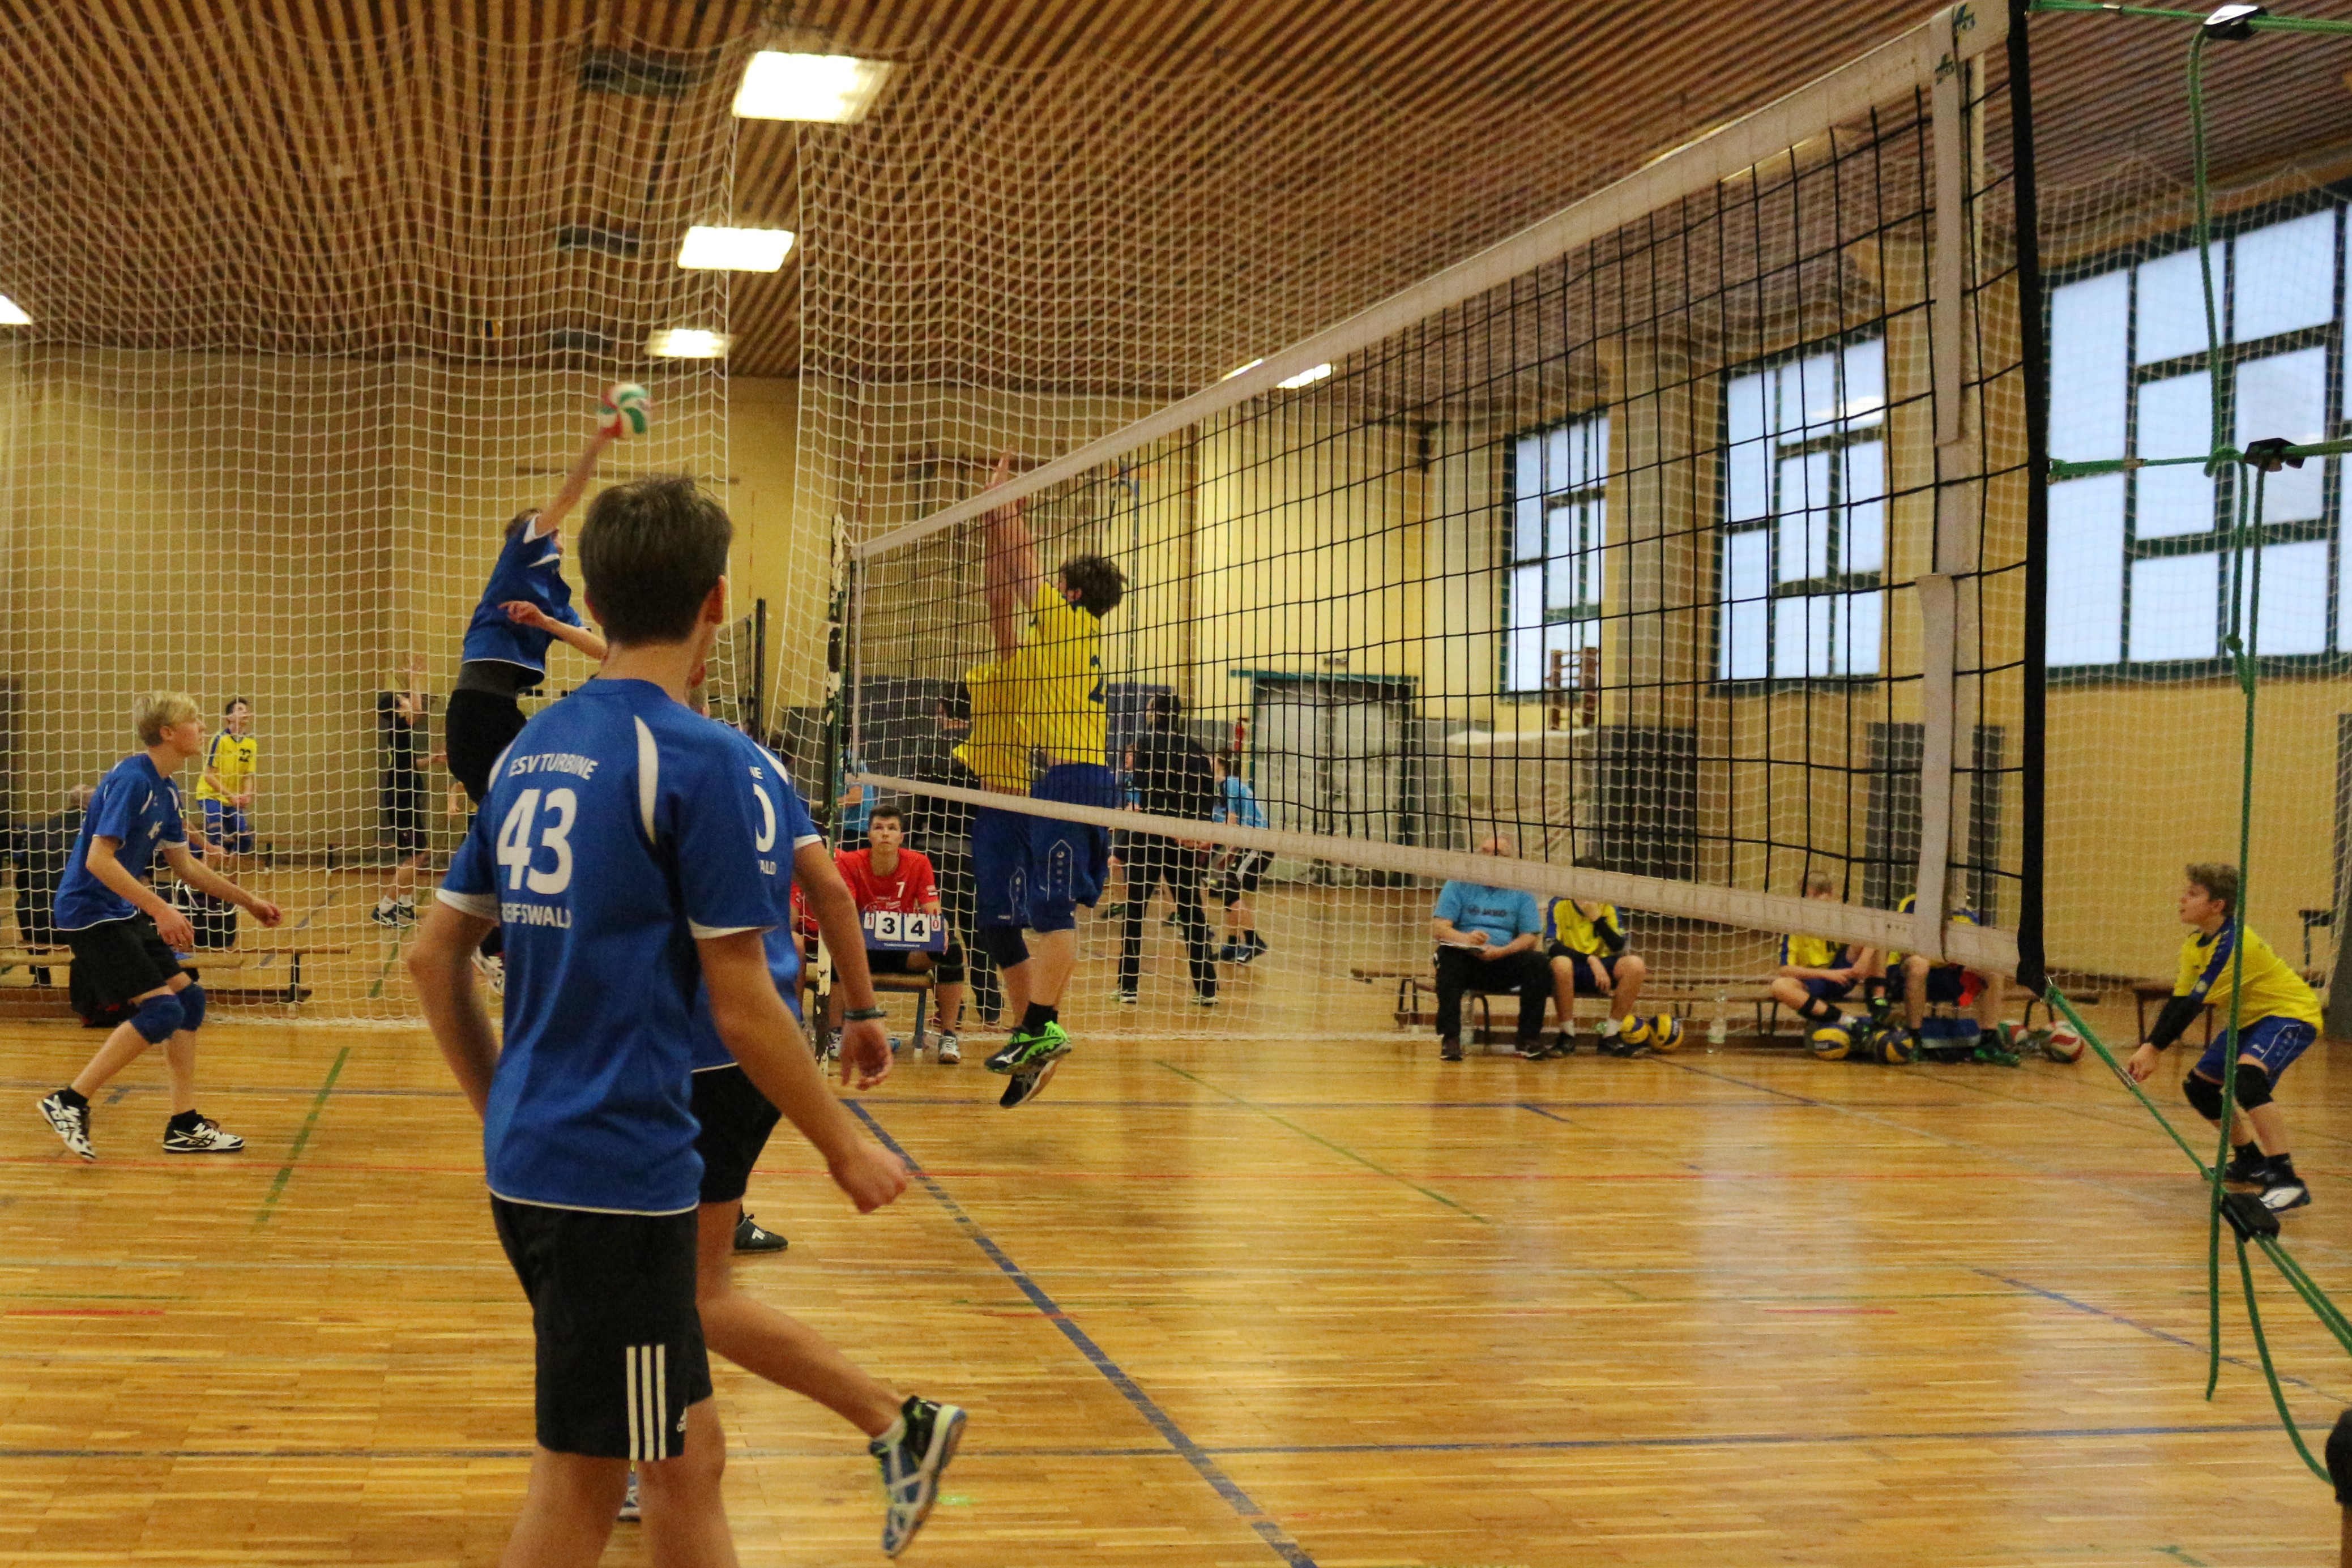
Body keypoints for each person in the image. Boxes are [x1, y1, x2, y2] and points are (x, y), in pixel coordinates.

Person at [406, 472, 912, 1567]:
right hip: (618, 1183)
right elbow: (743, 1000)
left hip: (540, 1162)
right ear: (716, 599)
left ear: (591, 598)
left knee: (683, 1458)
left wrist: (503, 1105)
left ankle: (885, 1418)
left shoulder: (530, 750)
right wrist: (843, 1142)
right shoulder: (704, 759)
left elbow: (431, 954)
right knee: (587, 1485)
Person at [614, 691, 964, 1550]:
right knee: (683, 1289)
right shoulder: (761, 765)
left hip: (700, 1052)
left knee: (681, 1293)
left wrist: (843, 1138)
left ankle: (887, 1419)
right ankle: (662, 1453)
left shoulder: (665, 759)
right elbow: (833, 896)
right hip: (757, 1053)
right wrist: (863, 1010)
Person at [36, 693, 285, 1160]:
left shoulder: (167, 789)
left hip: (119, 910)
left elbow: (186, 865)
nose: (203, 726)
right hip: (89, 912)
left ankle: (184, 1124)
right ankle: (69, 1100)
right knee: (161, 1011)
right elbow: (98, 860)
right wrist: (161, 910)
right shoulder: (132, 780)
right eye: (194, 719)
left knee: (188, 1001)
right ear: (168, 733)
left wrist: (249, 901)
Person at [443, 403, 618, 990]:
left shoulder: (555, 593)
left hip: (500, 710)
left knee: (518, 816)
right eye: (555, 529)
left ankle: (494, 935)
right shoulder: (524, 549)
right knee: (509, 819)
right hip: (478, 707)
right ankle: (486, 940)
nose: (561, 536)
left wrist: (547, 622)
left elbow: (601, 650)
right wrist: (599, 440)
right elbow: (568, 494)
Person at [974, 455, 1127, 1105]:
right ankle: (1037, 1032)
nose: (1044, 589)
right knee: (1043, 912)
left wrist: (1003, 501)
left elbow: (1023, 561)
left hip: (1074, 780)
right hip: (1065, 781)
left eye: (1054, 585)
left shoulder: (1066, 622)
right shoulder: (1053, 643)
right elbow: (1007, 584)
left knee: (1052, 913)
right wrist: (993, 522)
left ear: (1070, 594)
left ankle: (1039, 1028)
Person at [2128, 862, 2324, 1214]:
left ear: (2217, 905)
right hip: (2248, 1021)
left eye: (2193, 894)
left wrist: (2153, 1049)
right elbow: (2179, 1000)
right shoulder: (2196, 944)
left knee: (2248, 1080)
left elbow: (2193, 1006)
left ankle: (2287, 1180)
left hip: (2289, 1013)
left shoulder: (2232, 945)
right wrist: (2150, 1045)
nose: (2182, 899)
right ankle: (2249, 1160)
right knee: (2200, 1087)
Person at [830, 805, 968, 1064]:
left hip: (905, 953)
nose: (885, 834)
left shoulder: (918, 862)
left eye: (892, 828)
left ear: (901, 837)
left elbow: (932, 911)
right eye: (878, 828)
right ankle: (837, 1034)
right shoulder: (850, 862)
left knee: (950, 947)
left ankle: (949, 1036)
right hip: (863, 952)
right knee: (837, 944)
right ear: (869, 835)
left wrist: (941, 929)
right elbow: (845, 912)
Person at [906, 686, 1000, 1026]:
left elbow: (917, 807)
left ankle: (951, 1012)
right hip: (977, 853)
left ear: (941, 709)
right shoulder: (985, 748)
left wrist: (911, 851)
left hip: (934, 854)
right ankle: (991, 1009)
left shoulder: (930, 748)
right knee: (979, 933)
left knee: (940, 933)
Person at [1117, 693, 1219, 1007]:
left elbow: (1143, 783)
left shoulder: (1145, 745)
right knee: (1191, 912)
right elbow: (1207, 796)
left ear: (1154, 713)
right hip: (1183, 839)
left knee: (1135, 909)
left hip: (1150, 834)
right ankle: (1207, 988)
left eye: (1149, 709)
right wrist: (1197, 830)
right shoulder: (1198, 751)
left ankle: (1128, 987)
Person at [1430, 836, 1552, 1061]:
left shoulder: (1521, 890)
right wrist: (1467, 939)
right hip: (1466, 959)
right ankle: (1451, 1039)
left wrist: (1502, 951)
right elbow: (1440, 929)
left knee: (1538, 963)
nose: (1488, 858)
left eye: (1495, 854)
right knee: (1449, 959)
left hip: (1503, 961)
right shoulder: (1459, 883)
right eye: (1484, 852)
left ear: (1509, 861)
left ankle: (1528, 1039)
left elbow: (1530, 936)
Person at [1543, 862, 1651, 1056]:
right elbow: (1551, 946)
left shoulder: (1608, 905)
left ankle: (1610, 1036)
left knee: (1635, 965)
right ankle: (1567, 1036)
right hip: (1572, 968)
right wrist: (1591, 960)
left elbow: (1619, 947)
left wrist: (1597, 919)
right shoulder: (1559, 903)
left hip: (1604, 971)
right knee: (1560, 963)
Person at [1884, 892, 2009, 1056]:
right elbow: (1906, 953)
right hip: (1904, 973)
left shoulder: (1966, 914)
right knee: (1919, 964)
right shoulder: (1912, 905)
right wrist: (1948, 956)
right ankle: (1914, 1038)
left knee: (1993, 969)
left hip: (1950, 973)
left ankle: (1989, 1039)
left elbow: (1977, 953)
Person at [372, 656, 443, 928]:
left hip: (406, 796)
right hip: (401, 799)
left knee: (420, 854)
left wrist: (431, 760)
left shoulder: (398, 732)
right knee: (416, 856)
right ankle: (384, 908)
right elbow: (419, 709)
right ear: (398, 709)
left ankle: (405, 903)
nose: (408, 702)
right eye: (403, 700)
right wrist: (415, 677)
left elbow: (407, 763)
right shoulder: (400, 726)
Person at [1769, 871, 1879, 1036]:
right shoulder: (1794, 925)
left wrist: (1863, 961)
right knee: (1780, 986)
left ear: (1831, 894)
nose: (1812, 901)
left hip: (1843, 976)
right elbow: (1785, 970)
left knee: (1877, 935)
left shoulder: (1841, 916)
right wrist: (1827, 974)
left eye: (1818, 895)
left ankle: (1879, 1001)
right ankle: (1847, 1021)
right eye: (1808, 896)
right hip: (1814, 981)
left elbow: (1874, 930)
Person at [6, 784, 92, 967]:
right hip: (83, 922)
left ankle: (40, 973)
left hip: (39, 923)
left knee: (26, 903)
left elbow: (23, 881)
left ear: (70, 803)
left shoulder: (38, 830)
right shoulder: (98, 833)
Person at [1211, 749, 1270, 965]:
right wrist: (1231, 853)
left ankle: (1254, 942)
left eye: (1212, 758)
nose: (1208, 761)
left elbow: (1232, 822)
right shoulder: (1227, 786)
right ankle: (1231, 945)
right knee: (1228, 892)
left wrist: (1226, 849)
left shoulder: (1229, 784)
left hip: (1258, 843)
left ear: (1221, 764)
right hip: (1248, 843)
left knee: (1229, 889)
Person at [191, 697, 257, 877]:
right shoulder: (220, 739)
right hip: (210, 794)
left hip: (232, 799)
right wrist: (231, 795)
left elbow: (248, 776)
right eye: (240, 709)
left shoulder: (251, 744)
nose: (245, 712)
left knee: (244, 840)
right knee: (215, 833)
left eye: (246, 709)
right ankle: (204, 880)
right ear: (229, 717)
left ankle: (231, 879)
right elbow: (209, 775)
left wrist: (247, 795)